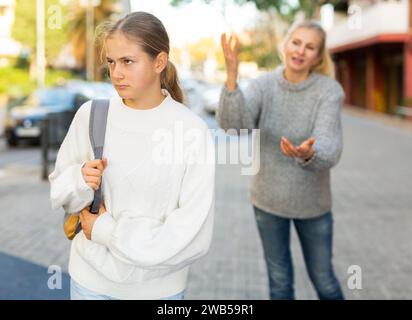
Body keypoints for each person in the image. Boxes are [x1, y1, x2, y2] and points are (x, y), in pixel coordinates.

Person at [49, 11, 215, 300]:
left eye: (128, 61)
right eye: (112, 62)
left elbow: (192, 234)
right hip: (90, 285)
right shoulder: (91, 115)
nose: (116, 73)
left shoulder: (191, 130)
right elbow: (60, 192)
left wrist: (107, 231)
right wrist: (79, 179)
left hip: (158, 292)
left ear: (159, 62)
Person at [217, 20, 345, 300]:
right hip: (268, 202)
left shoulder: (328, 91)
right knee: (279, 283)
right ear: (285, 45)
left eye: (310, 47)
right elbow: (234, 126)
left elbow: (330, 143)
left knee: (324, 281)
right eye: (296, 42)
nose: (301, 51)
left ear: (318, 56)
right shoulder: (263, 85)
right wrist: (231, 78)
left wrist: (309, 153)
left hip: (313, 205)